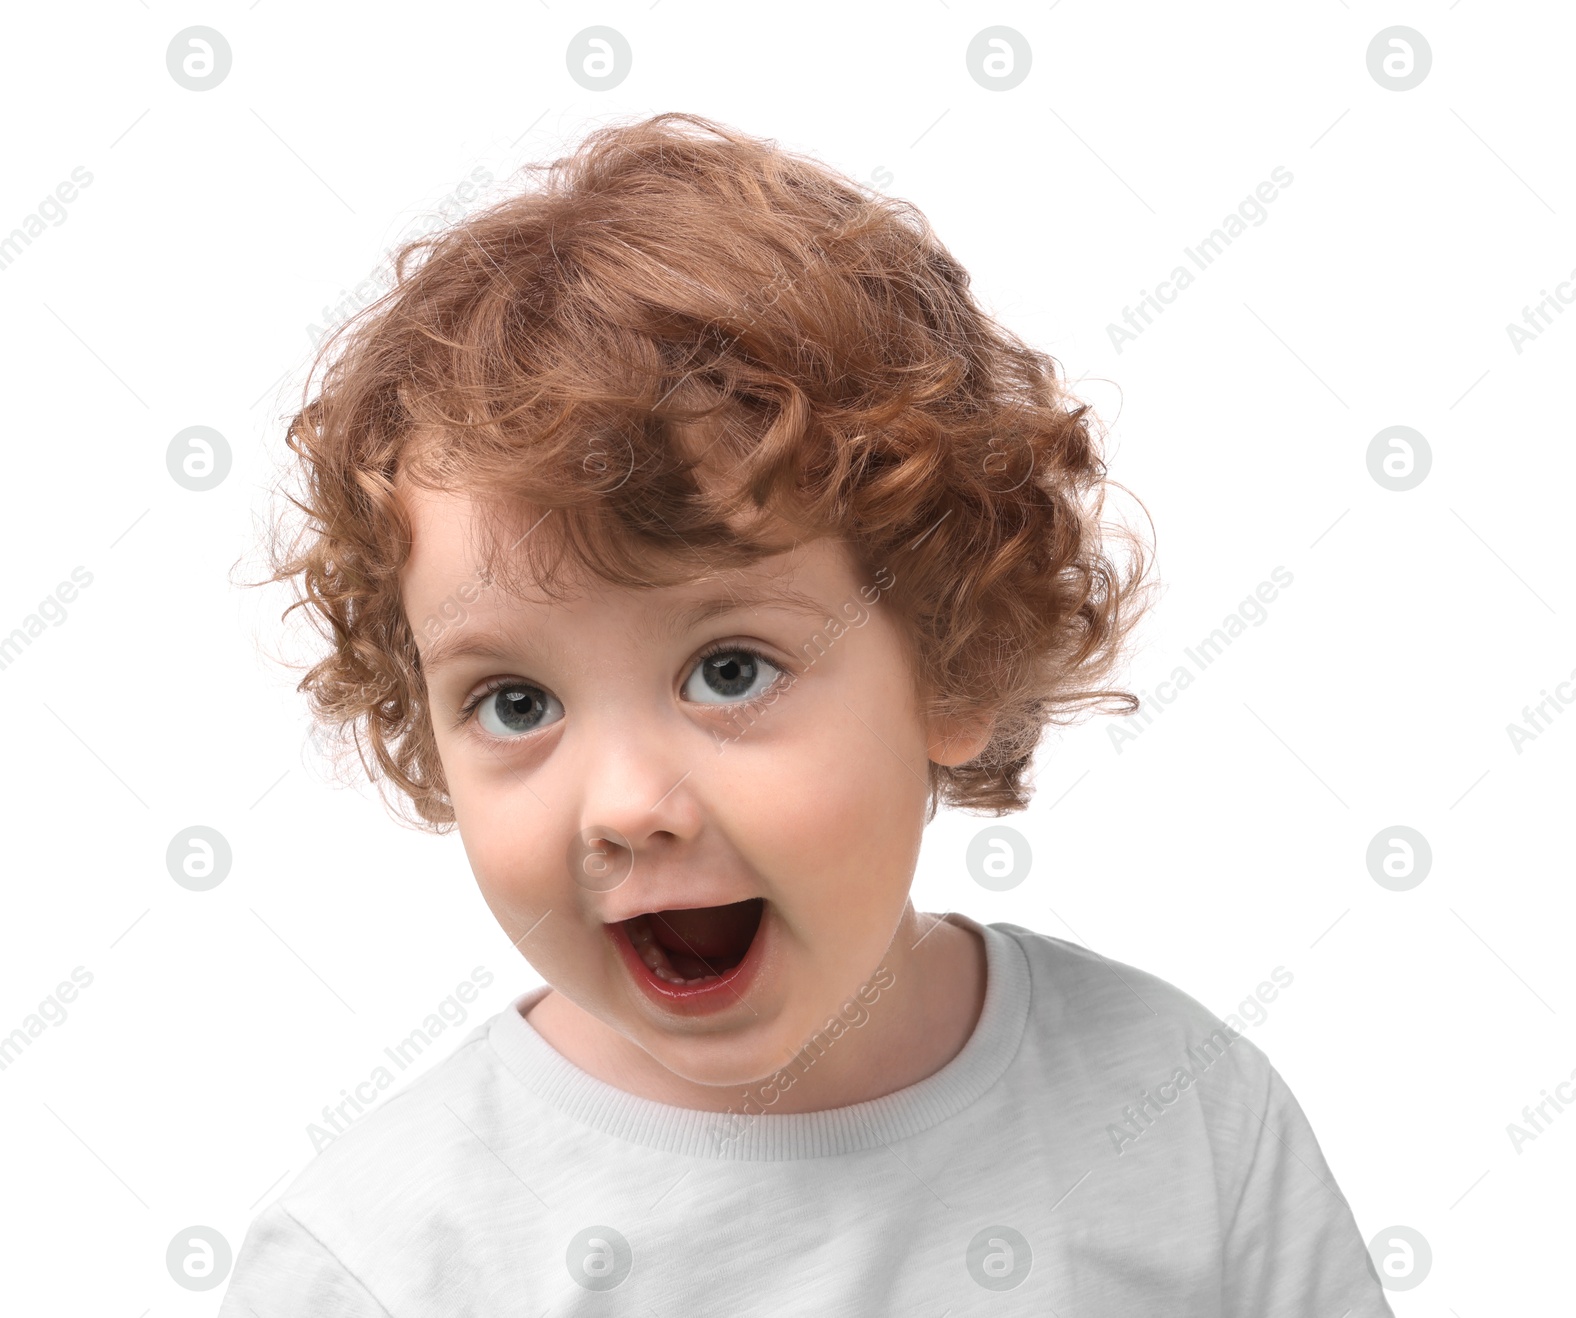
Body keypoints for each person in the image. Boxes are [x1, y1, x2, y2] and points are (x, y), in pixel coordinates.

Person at [220, 111, 1391, 1316]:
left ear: (950, 658)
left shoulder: (1183, 1115)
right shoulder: (381, 1263)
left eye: (730, 671)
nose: (625, 805)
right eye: (515, 701)